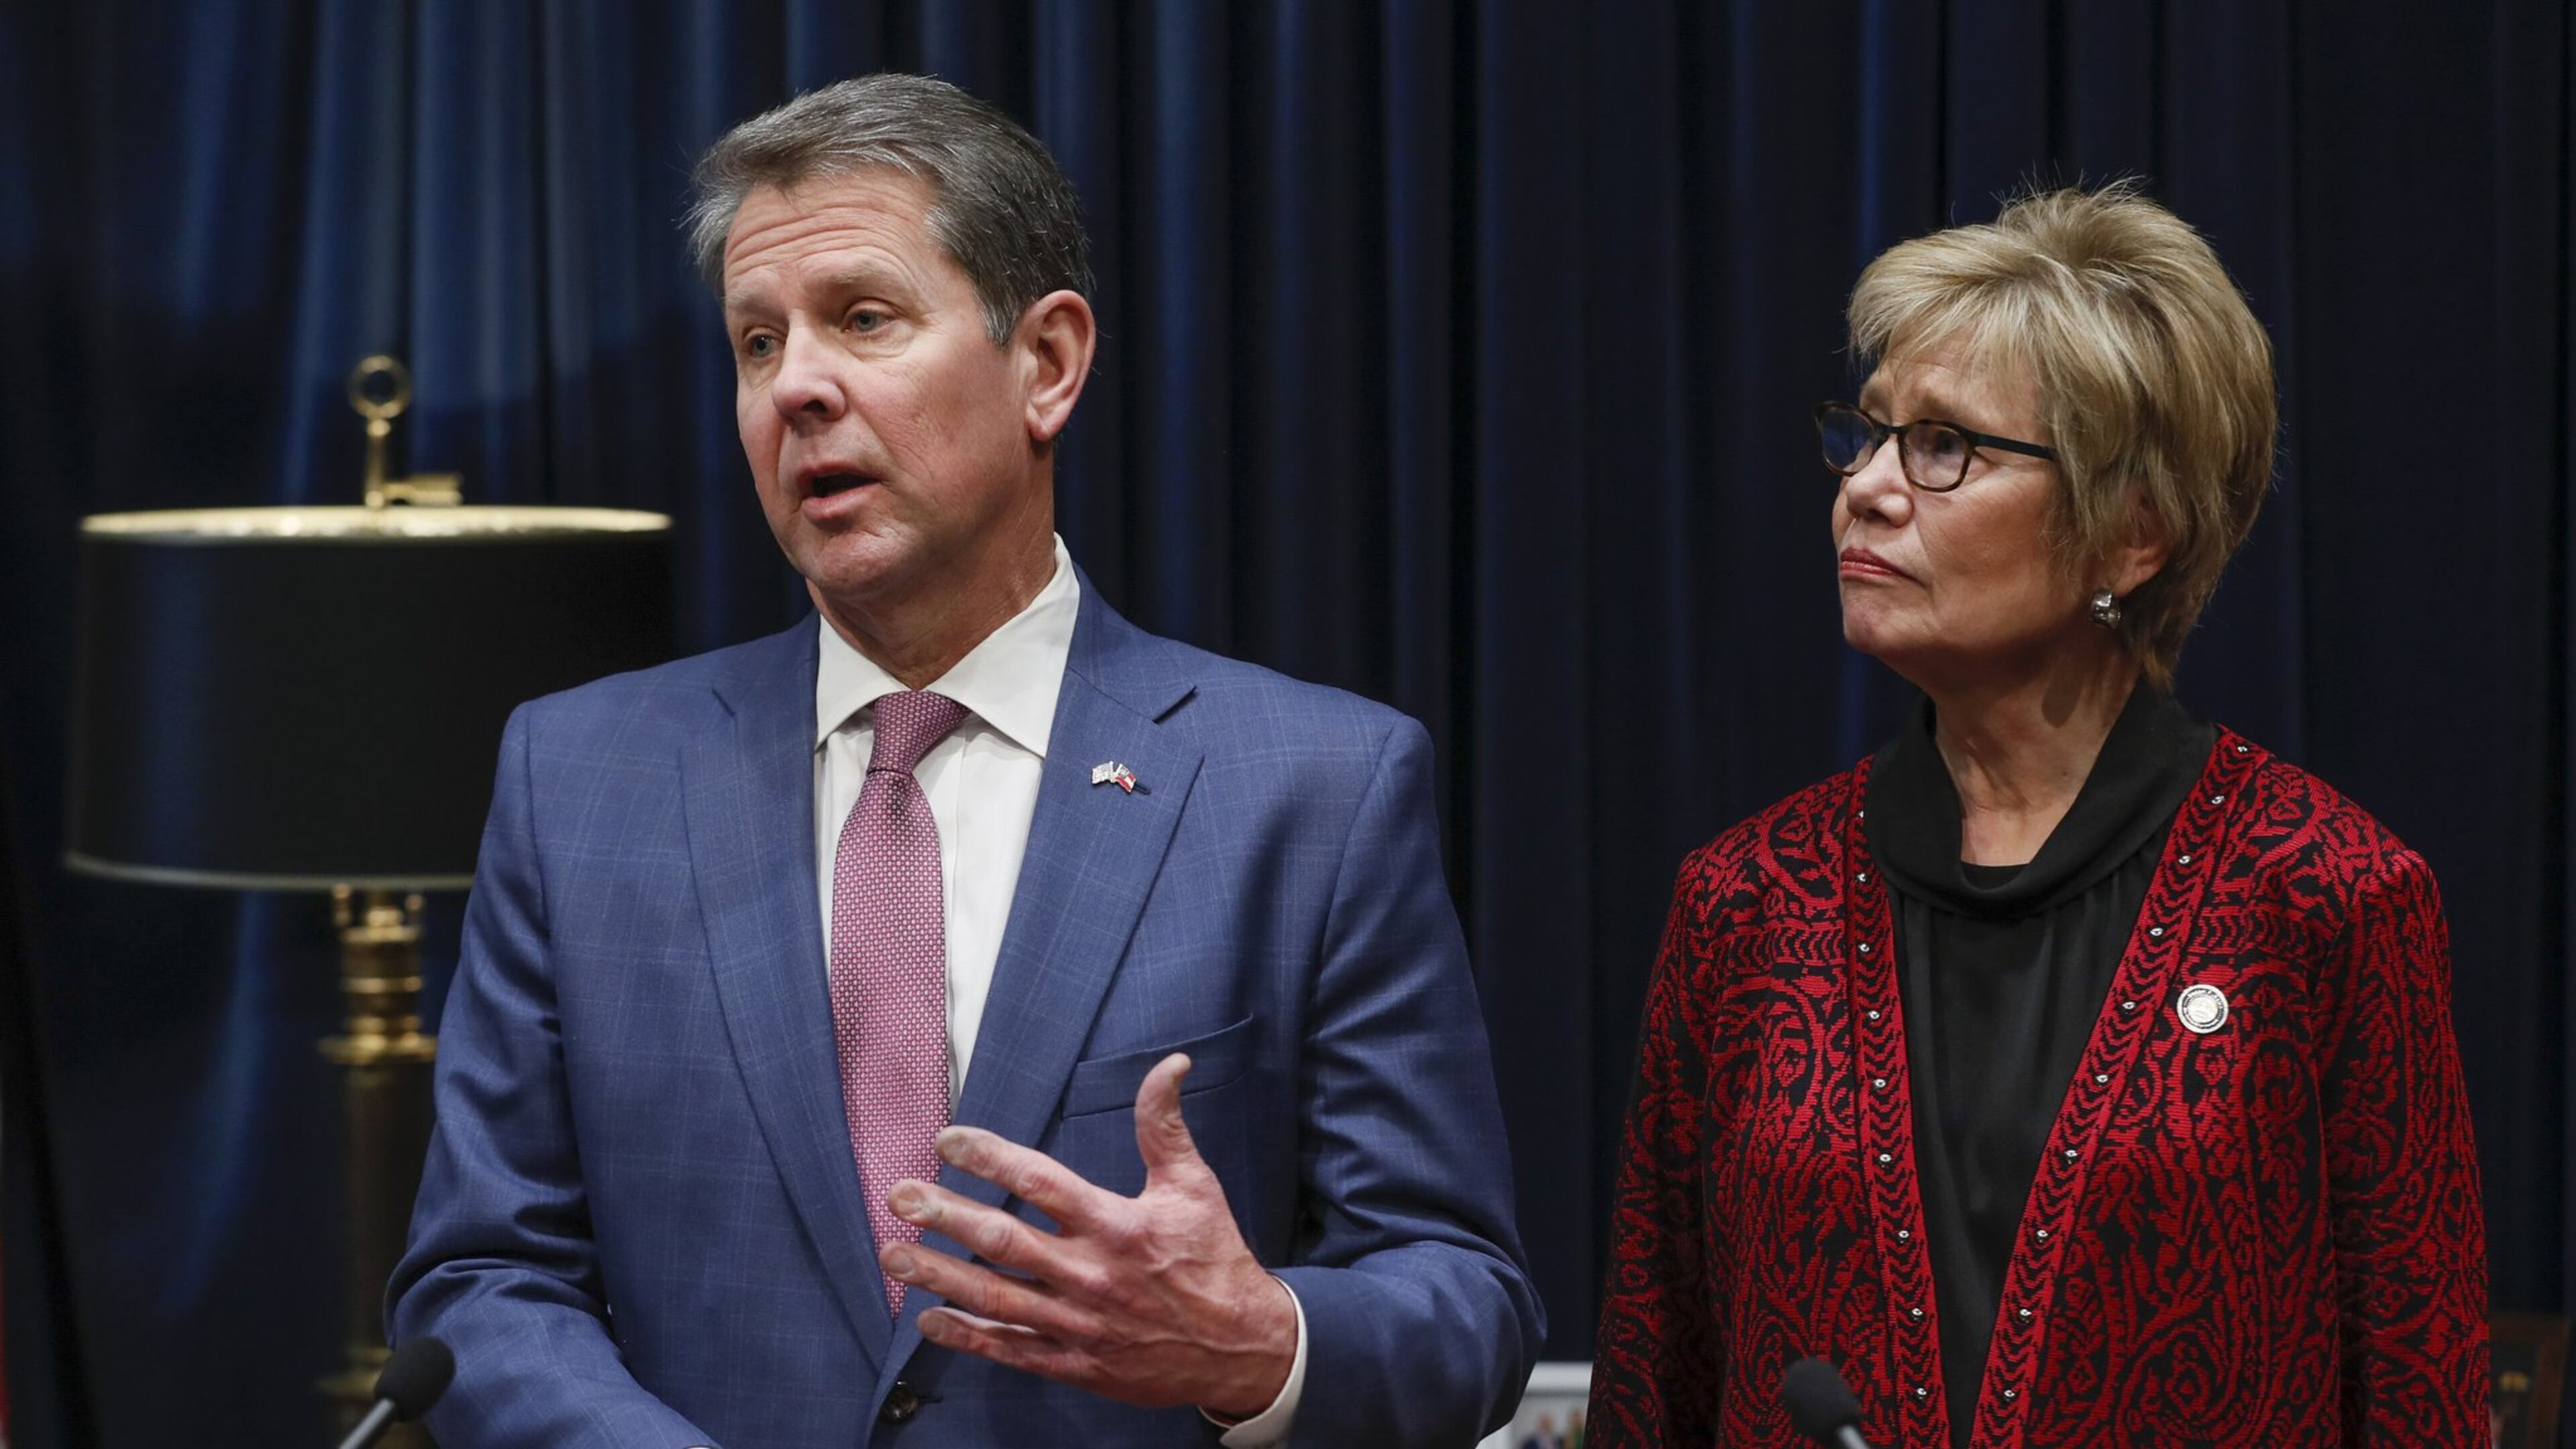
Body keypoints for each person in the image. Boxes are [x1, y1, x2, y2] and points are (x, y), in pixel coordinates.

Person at [390, 73, 1540, 1448]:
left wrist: (1255, 1346)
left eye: (862, 320)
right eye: (758, 343)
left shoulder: (1315, 787)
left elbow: (1465, 1306)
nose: (797, 386)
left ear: (1046, 362)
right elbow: (479, 1281)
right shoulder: (581, 782)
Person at [1589, 185, 2489, 1448]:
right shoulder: (1743, 902)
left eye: (1947, 446)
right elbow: (1654, 1381)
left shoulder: (2330, 894)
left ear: (2133, 534)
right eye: (1867, 434)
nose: (1871, 488)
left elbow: (2424, 1396)